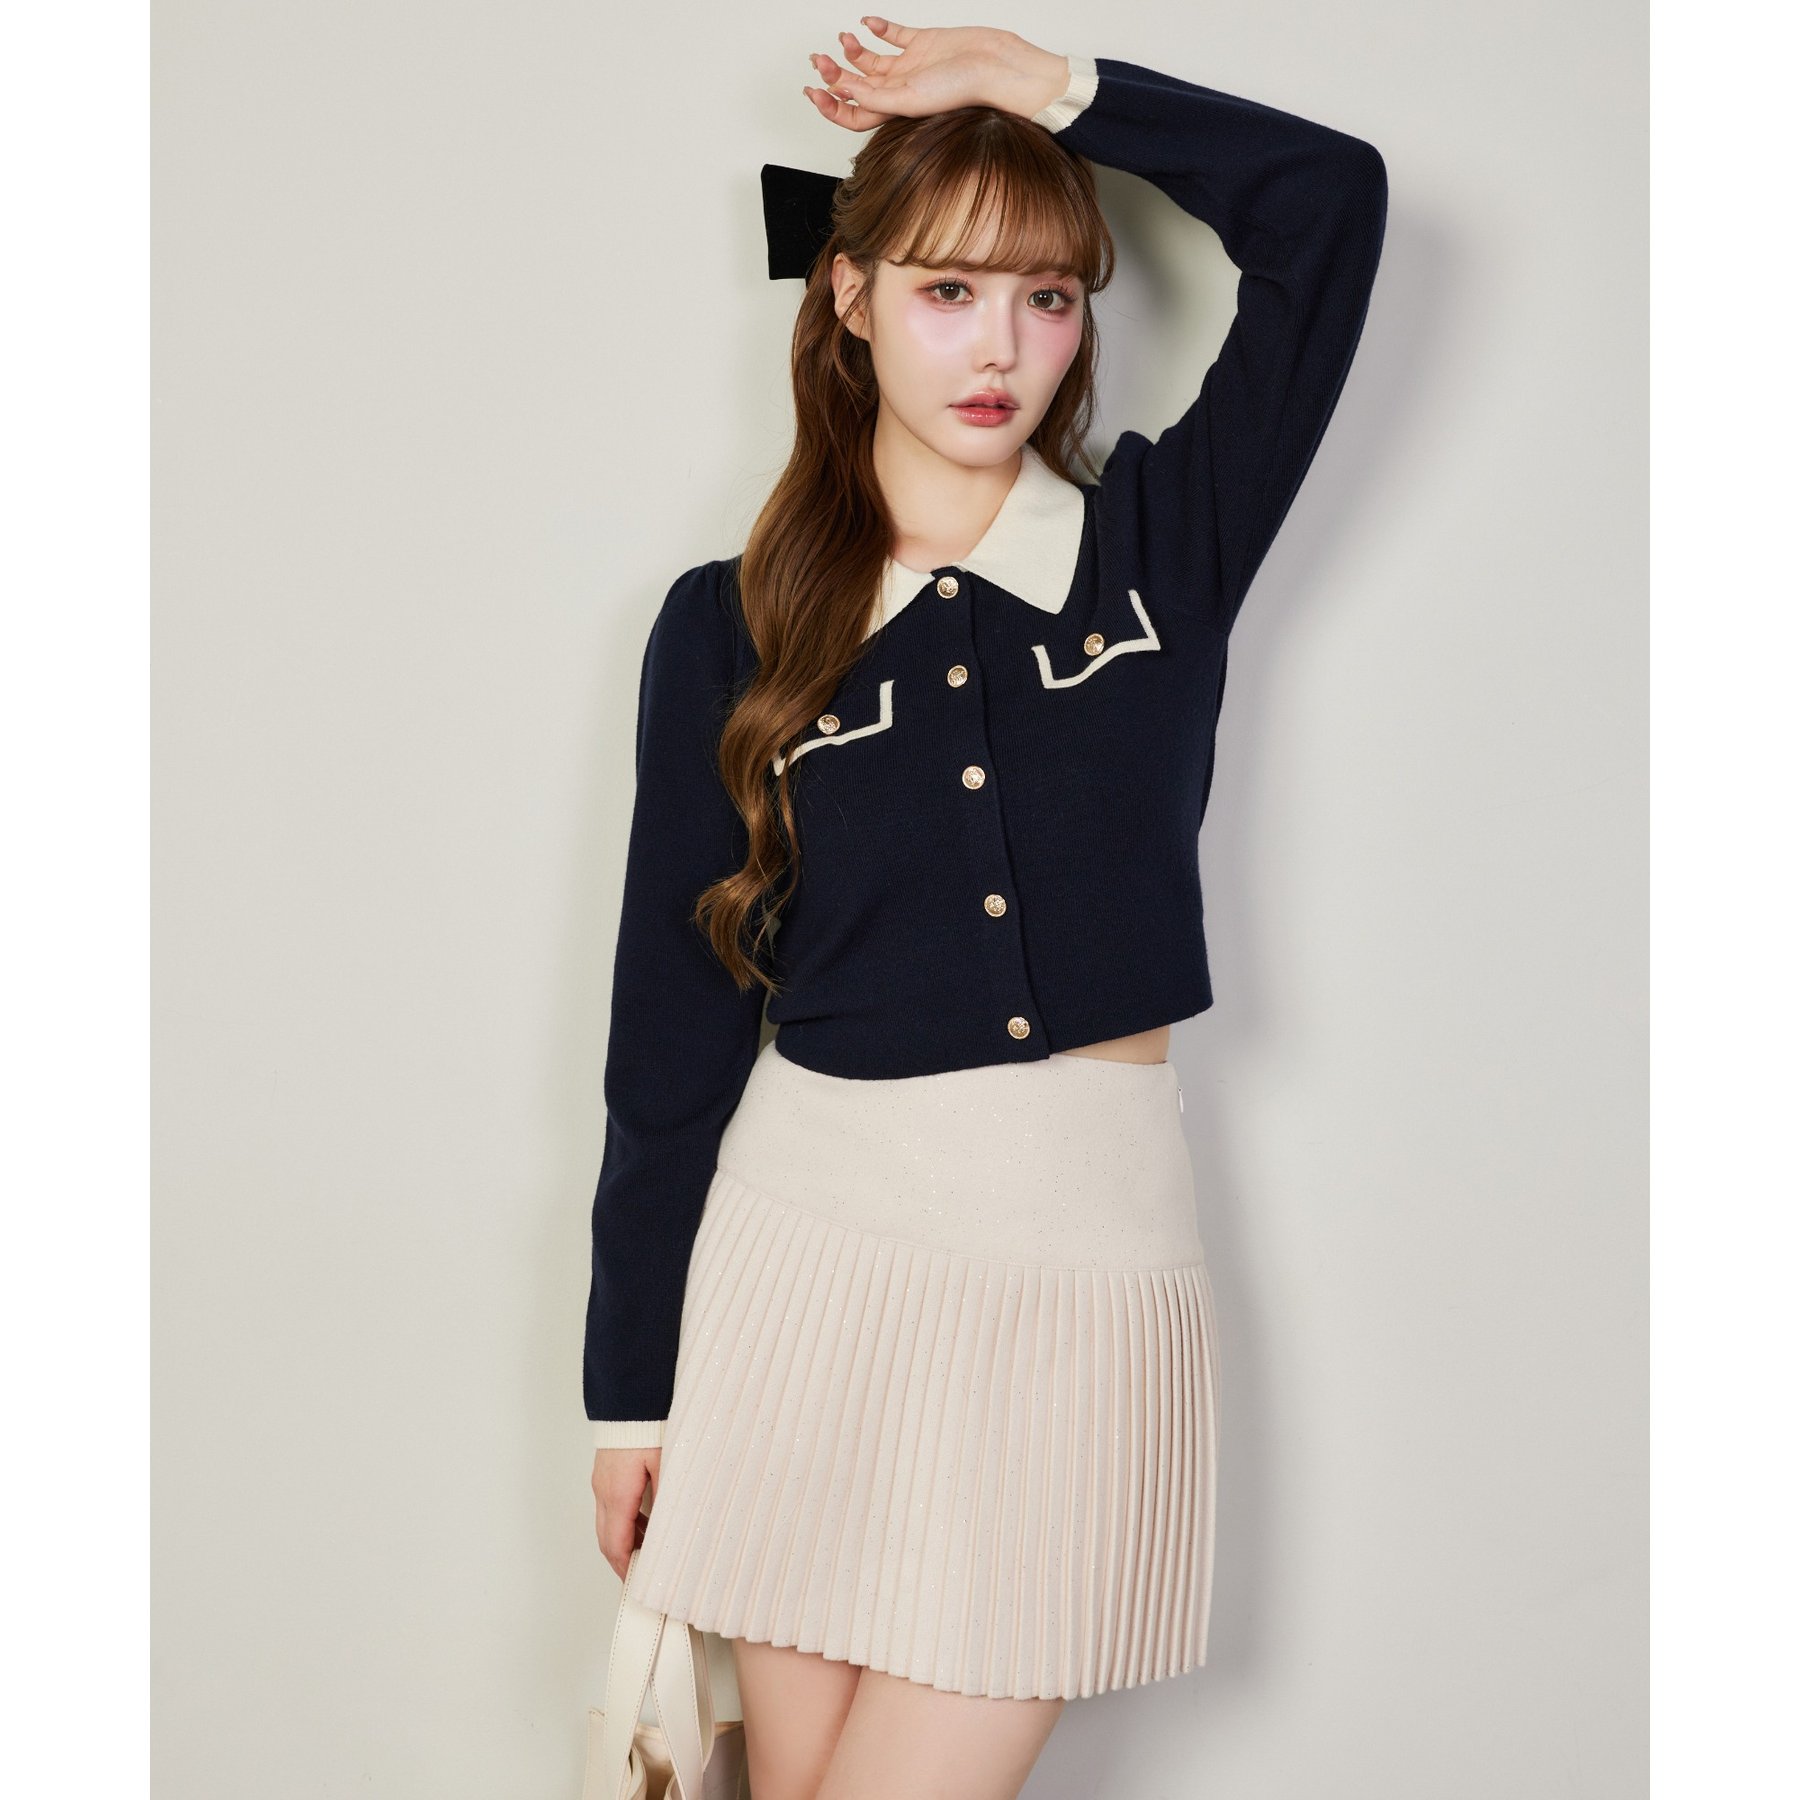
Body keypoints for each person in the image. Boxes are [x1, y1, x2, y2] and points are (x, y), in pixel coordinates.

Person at [584, 18, 1387, 1798]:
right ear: (850, 297)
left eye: (1048, 296)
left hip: (1079, 1265)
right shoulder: (728, 626)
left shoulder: (1163, 546)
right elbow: (670, 1032)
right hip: (800, 1259)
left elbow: (1329, 202)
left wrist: (1048, 89)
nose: (1003, 347)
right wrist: (631, 1390)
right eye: (949, 291)